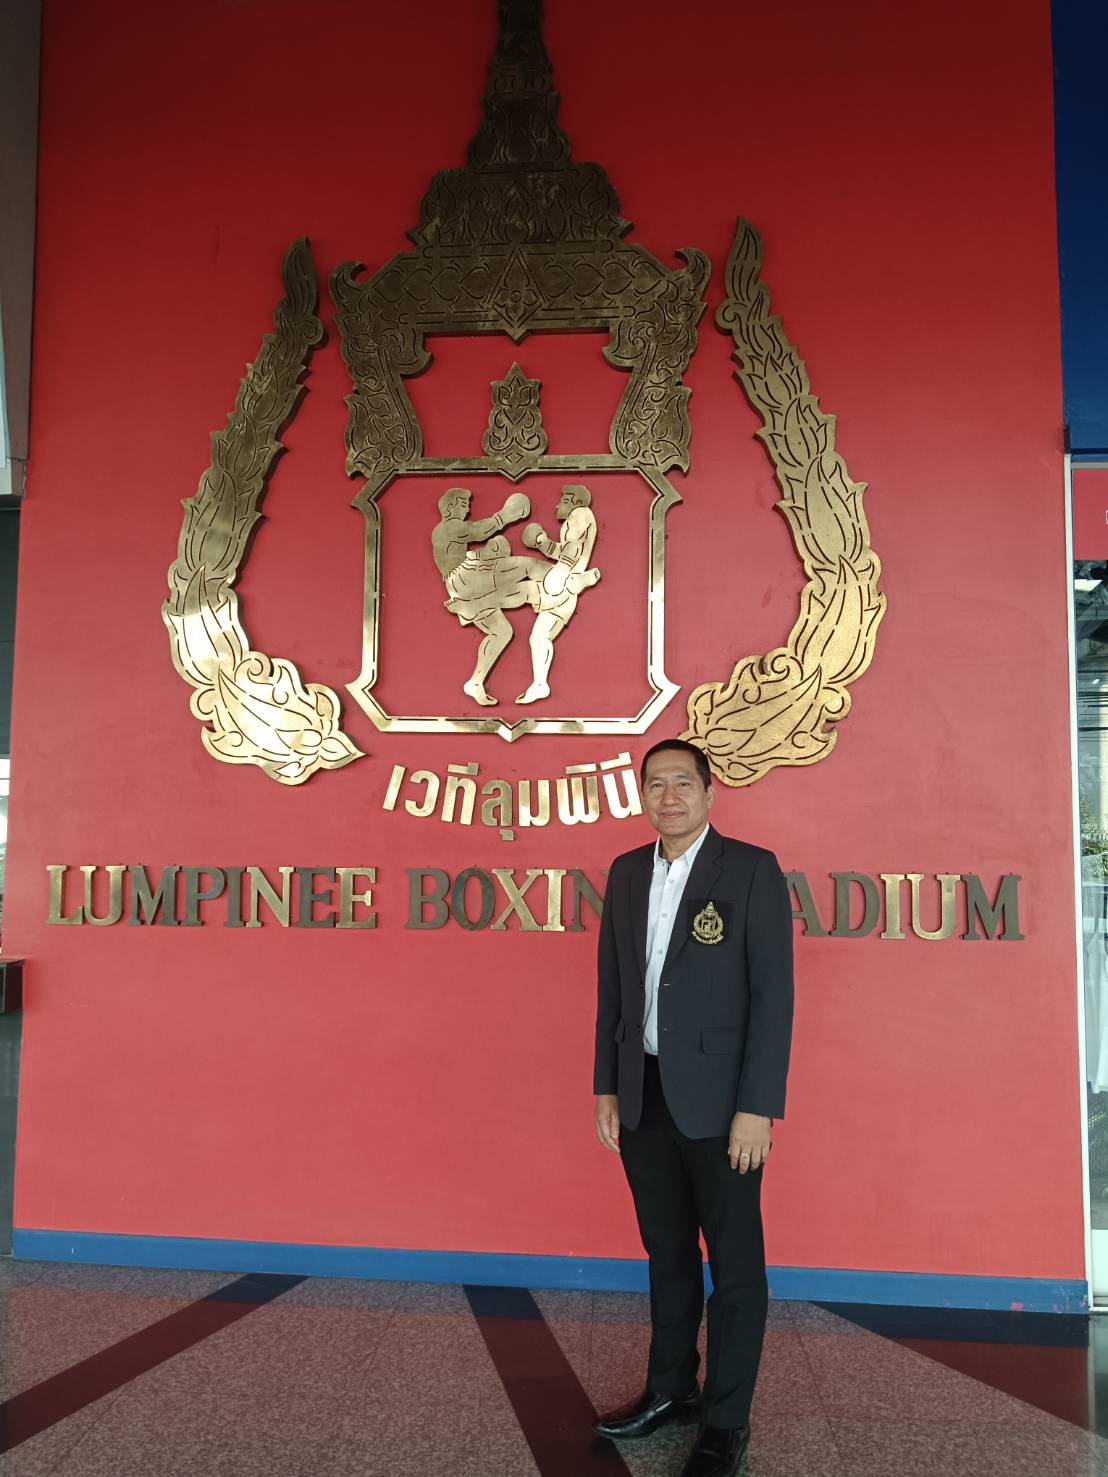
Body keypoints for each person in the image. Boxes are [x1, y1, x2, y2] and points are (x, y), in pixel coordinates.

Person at [592, 737, 793, 1477]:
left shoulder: (750, 870)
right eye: (655, 783)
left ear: (710, 792)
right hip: (643, 1094)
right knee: (667, 1253)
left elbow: (773, 999)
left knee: (735, 1268)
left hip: (722, 1105)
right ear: (642, 795)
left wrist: (757, 1107)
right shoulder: (625, 873)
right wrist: (607, 1085)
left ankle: (725, 1421)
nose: (668, 795)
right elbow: (613, 990)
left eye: (683, 782)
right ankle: (672, 1390)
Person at [516, 483, 600, 704]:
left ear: (574, 501)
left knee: (538, 635)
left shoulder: (579, 514)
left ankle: (540, 684)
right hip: (567, 581)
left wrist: (560, 575)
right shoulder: (578, 518)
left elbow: (572, 550)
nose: (556, 505)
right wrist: (542, 543)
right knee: (539, 637)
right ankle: (540, 684)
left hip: (564, 582)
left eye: (562, 500)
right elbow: (566, 550)